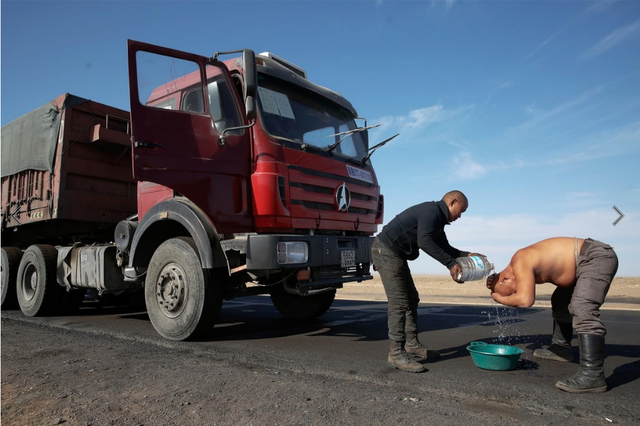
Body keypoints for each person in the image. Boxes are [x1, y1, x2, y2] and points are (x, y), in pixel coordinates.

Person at [486, 237, 618, 393]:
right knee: (560, 300)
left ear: (505, 278)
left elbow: (525, 300)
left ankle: (593, 375)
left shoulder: (520, 260)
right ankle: (560, 348)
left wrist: (498, 298)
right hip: (581, 264)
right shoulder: (519, 264)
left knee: (582, 307)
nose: (515, 293)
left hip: (594, 258)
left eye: (512, 292)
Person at [371, 190, 483, 373]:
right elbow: (425, 242)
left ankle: (412, 345)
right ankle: (396, 353)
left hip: (395, 254)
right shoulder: (431, 212)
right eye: (461, 211)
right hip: (386, 250)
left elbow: (444, 247)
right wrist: (450, 264)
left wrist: (466, 255)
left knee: (412, 299)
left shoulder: (437, 219)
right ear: (453, 202)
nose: (460, 216)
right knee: (399, 302)